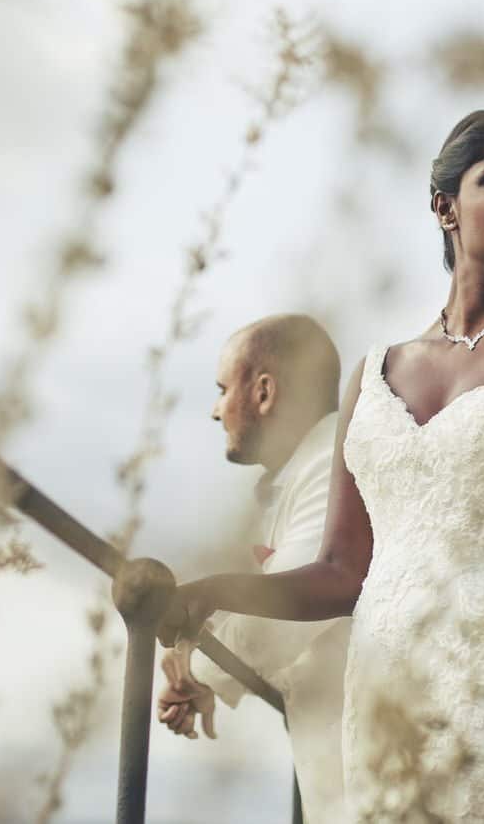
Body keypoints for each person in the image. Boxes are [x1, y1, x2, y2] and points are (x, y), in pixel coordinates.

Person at [158, 109, 484, 823]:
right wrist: (217, 589)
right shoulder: (374, 374)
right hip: (382, 710)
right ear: (444, 206)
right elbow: (341, 571)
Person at [156, 313, 351, 823]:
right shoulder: (313, 466)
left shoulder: (335, 464)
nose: (216, 411)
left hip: (370, 754)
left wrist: (197, 673)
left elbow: (287, 613)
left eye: (223, 389)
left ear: (264, 392)